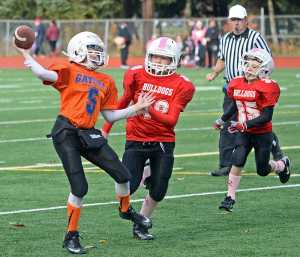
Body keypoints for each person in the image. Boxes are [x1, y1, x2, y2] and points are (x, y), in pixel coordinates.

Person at [14, 31, 154, 254]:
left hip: (88, 132)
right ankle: (71, 235)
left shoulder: (106, 80)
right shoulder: (68, 69)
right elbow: (42, 72)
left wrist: (135, 109)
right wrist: (25, 52)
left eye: (99, 51)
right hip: (66, 132)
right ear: (78, 51)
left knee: (123, 175)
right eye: (93, 50)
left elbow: (109, 116)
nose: (97, 55)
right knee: (80, 187)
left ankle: (125, 210)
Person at [102, 36, 195, 240]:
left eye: (165, 59)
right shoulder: (135, 74)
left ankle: (141, 225)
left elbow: (171, 121)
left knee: (159, 190)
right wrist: (105, 129)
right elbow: (123, 102)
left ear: (175, 61)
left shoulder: (182, 85)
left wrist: (148, 109)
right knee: (129, 184)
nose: (159, 62)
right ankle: (130, 206)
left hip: (163, 140)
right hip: (136, 137)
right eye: (155, 57)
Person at [206, 4, 286, 176]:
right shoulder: (225, 38)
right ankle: (226, 164)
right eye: (233, 20)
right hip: (232, 87)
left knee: (260, 124)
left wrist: (261, 83)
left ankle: (278, 156)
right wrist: (214, 72)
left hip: (254, 89)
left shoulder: (255, 37)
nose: (236, 23)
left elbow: (267, 61)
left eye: (239, 20)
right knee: (228, 125)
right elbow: (222, 59)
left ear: (245, 20)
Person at [214, 48, 291, 212]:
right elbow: (235, 104)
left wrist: (245, 125)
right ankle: (230, 197)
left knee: (262, 170)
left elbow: (266, 117)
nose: (249, 68)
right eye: (248, 64)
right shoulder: (236, 82)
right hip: (244, 132)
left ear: (264, 70)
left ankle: (281, 165)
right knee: (238, 159)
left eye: (254, 66)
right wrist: (222, 119)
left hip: (262, 133)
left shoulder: (267, 87)